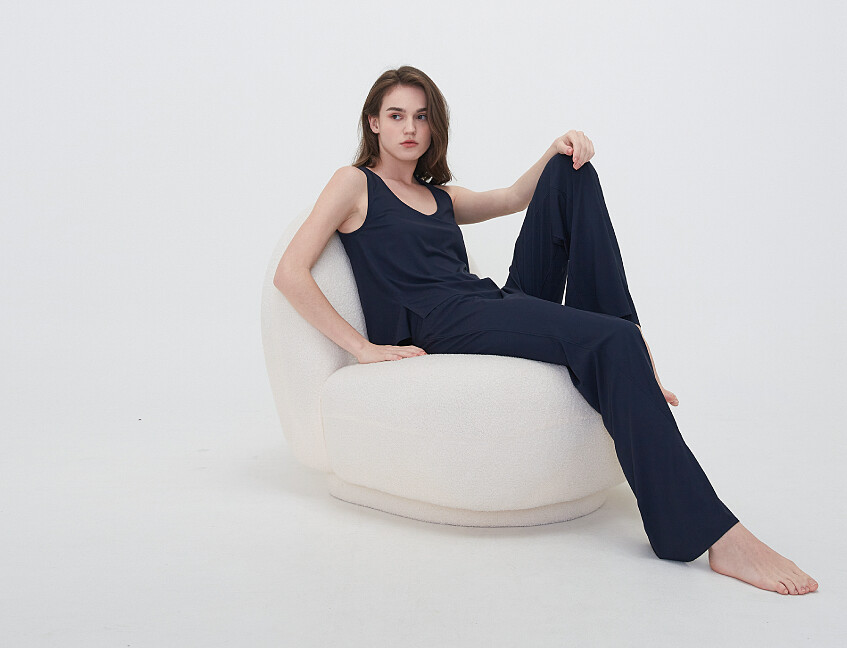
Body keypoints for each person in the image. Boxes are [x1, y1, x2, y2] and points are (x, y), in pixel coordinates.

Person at [273, 65, 818, 595]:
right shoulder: (354, 184)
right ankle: (714, 535)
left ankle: (621, 339)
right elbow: (290, 272)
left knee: (568, 173)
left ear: (434, 126)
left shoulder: (442, 197)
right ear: (373, 123)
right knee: (614, 341)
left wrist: (560, 146)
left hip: (483, 302)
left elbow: (515, 197)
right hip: (440, 322)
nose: (410, 128)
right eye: (396, 116)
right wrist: (362, 348)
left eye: (421, 117)